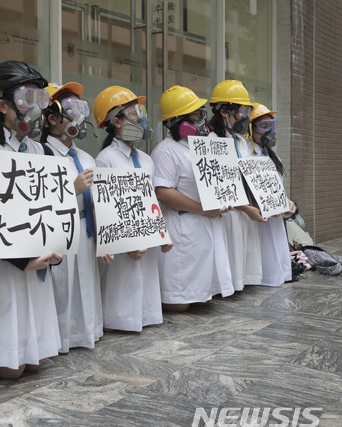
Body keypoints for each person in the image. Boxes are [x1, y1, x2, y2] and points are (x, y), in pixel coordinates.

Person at [0, 60, 62, 379]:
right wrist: (24, 260)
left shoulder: (44, 153)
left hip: (38, 265)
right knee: (12, 368)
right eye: (27, 98)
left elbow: (55, 211)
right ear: (2, 105)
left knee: (35, 362)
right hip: (5, 268)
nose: (36, 107)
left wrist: (56, 249)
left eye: (41, 98)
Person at [151, 85, 234, 312]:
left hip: (205, 224)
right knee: (178, 303)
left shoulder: (205, 145)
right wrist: (202, 208)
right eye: (195, 114)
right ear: (178, 121)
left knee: (202, 296)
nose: (201, 119)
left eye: (201, 113)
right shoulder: (166, 150)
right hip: (183, 224)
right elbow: (162, 192)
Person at [40, 82, 109, 351]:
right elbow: (37, 203)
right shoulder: (42, 154)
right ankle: (59, 340)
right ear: (52, 118)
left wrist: (106, 240)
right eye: (71, 110)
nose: (79, 117)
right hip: (58, 231)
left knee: (85, 284)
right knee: (62, 287)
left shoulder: (85, 157)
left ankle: (86, 332)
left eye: (81, 109)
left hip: (85, 230)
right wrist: (72, 190)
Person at [93, 86, 170, 326]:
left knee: (144, 289)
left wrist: (162, 234)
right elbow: (104, 208)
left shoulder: (146, 160)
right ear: (116, 121)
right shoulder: (105, 159)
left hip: (146, 242)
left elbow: (151, 203)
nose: (142, 119)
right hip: (122, 248)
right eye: (134, 113)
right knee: (123, 295)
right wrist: (125, 246)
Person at [209, 80, 263, 291]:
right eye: (241, 110)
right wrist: (245, 207)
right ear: (224, 111)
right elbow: (220, 185)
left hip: (246, 209)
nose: (245, 116)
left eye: (247, 110)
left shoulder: (241, 141)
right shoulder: (212, 140)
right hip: (229, 211)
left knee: (243, 264)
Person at [247, 102, 295, 286]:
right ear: (251, 130)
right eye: (264, 127)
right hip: (259, 220)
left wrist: (287, 202)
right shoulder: (248, 156)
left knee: (277, 264)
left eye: (271, 126)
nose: (270, 131)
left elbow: (277, 189)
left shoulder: (274, 157)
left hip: (276, 220)